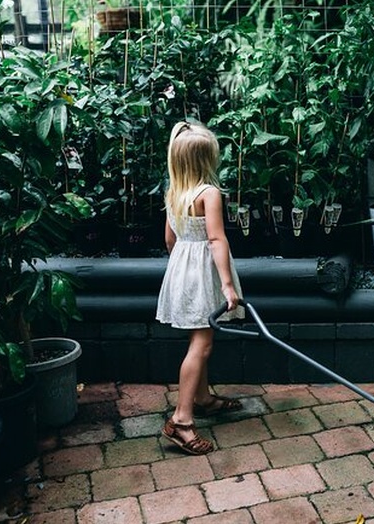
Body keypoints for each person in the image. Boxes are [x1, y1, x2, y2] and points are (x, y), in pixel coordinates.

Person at [156, 121, 245, 455]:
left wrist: (182, 266)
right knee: (202, 344)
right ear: (206, 160)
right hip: (204, 272)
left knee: (198, 335)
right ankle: (181, 419)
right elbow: (216, 238)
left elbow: (169, 239)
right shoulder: (209, 194)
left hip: (182, 271)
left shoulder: (175, 193)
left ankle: (204, 398)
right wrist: (226, 284)